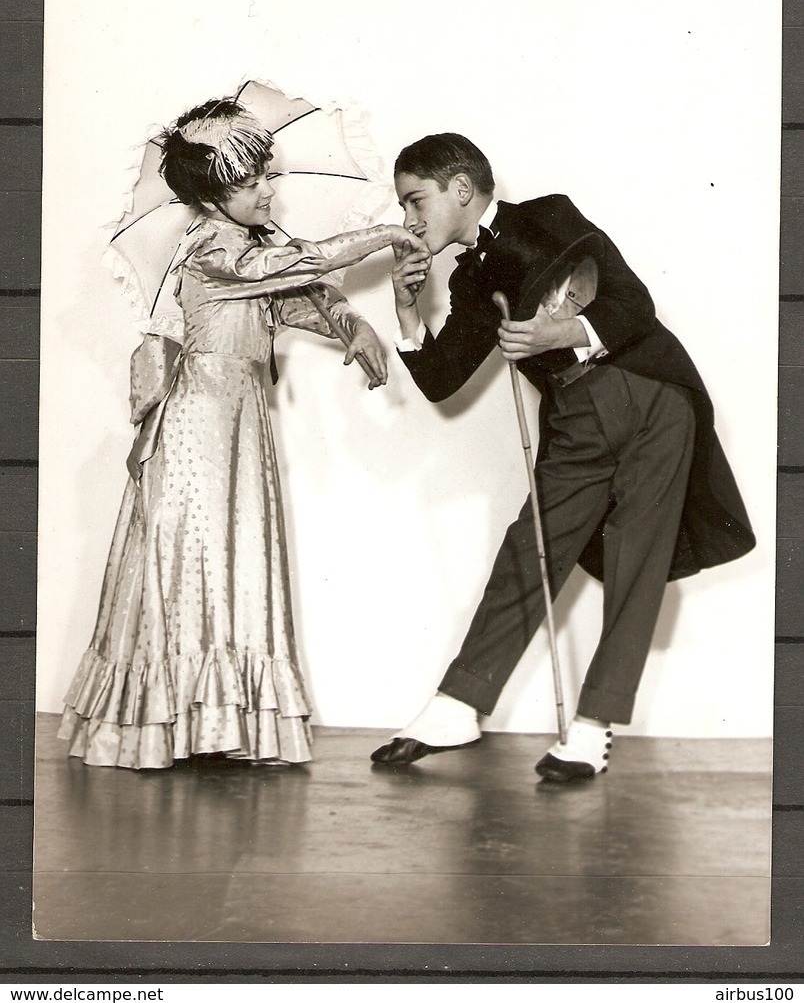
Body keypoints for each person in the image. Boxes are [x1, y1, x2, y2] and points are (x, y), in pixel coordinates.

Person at [371, 132, 755, 783]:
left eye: (415, 201)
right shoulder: (469, 280)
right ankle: (458, 705)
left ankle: (591, 730)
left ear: (460, 189)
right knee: (534, 548)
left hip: (651, 392)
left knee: (639, 556)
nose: (407, 220)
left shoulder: (546, 217)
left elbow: (632, 306)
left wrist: (562, 331)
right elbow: (441, 381)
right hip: (578, 413)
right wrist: (409, 309)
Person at [59, 98, 425, 770]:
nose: (266, 189)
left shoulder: (248, 247)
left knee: (235, 557)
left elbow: (290, 298)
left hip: (238, 415)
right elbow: (299, 265)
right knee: (192, 556)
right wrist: (384, 237)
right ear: (213, 191)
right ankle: (169, 725)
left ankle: (214, 726)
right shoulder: (210, 246)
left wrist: (352, 325)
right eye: (247, 180)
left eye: (265, 176)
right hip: (199, 416)